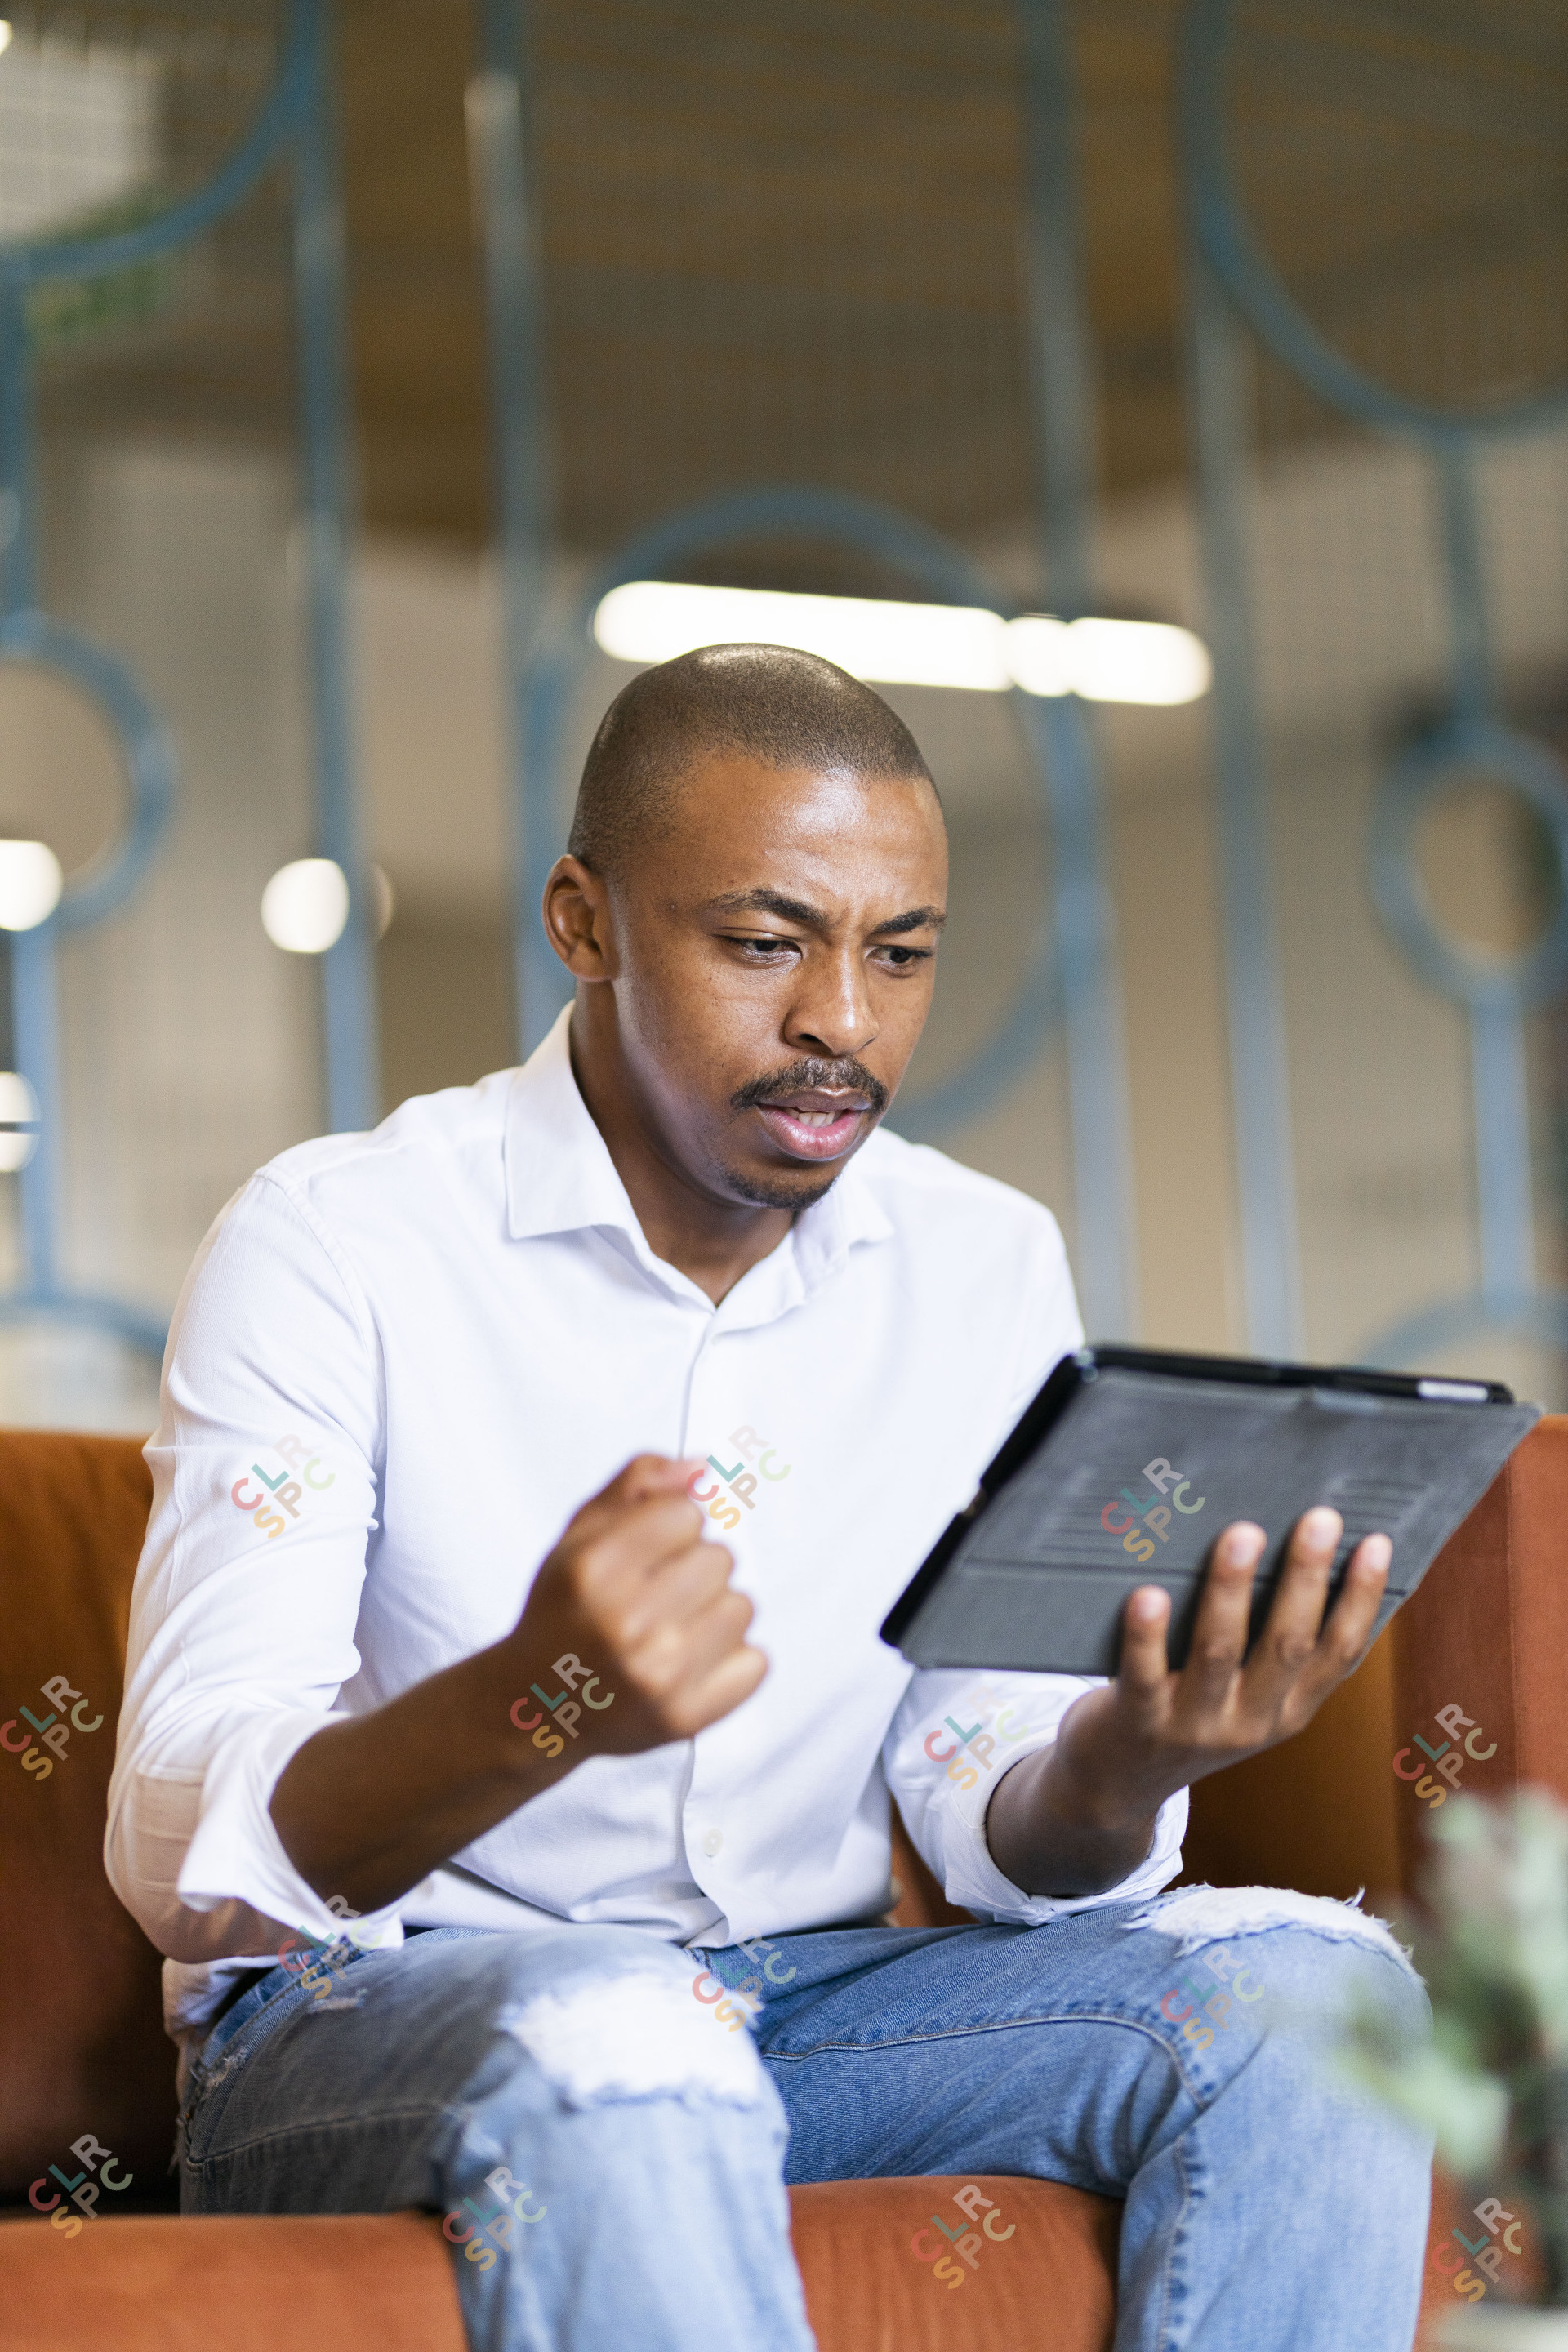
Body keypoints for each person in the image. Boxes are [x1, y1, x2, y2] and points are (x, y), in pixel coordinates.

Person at [108, 644, 1430, 2352]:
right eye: (761, 943)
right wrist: (536, 1702)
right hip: (376, 2024)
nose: (843, 1023)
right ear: (580, 921)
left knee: (1319, 1998)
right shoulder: (335, 1244)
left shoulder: (980, 1261)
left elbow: (980, 1792)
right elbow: (181, 1851)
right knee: (630, 2040)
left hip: (805, 2015)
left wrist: (1133, 1755)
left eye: (901, 953)